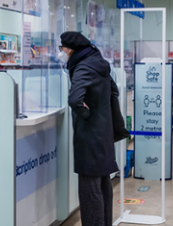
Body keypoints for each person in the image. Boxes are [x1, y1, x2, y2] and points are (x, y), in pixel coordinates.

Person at [59, 31, 127, 226]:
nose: (62, 52)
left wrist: (87, 114)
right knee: (103, 184)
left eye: (62, 48)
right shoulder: (99, 64)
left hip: (89, 136)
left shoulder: (83, 67)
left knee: (89, 190)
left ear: (71, 49)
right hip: (104, 132)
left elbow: (74, 99)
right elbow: (114, 91)